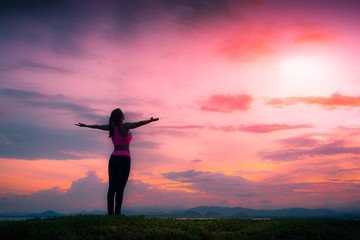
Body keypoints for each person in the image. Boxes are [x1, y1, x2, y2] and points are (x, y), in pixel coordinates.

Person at [75, 108, 159, 215]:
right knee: (120, 188)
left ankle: (110, 214)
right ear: (121, 117)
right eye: (123, 114)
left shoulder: (111, 128)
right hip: (124, 159)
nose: (124, 115)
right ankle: (117, 215)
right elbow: (138, 124)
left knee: (112, 188)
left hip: (113, 158)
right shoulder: (125, 126)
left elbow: (98, 126)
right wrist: (150, 121)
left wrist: (85, 125)